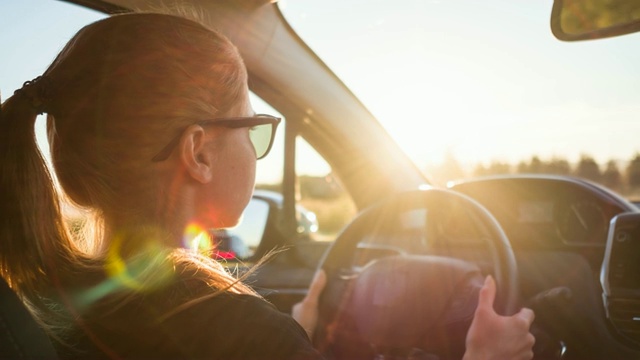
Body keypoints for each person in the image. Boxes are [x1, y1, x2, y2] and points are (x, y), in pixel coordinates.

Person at [0, 11, 534, 359]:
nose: (257, 146)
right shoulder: (246, 338)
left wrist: (297, 330)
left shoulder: (47, 304)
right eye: (253, 128)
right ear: (199, 152)